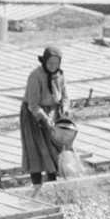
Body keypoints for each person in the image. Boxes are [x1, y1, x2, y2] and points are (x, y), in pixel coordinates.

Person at [20, 45, 69, 186]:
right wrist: (44, 118)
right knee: (36, 148)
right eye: (50, 63)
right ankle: (37, 183)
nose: (53, 66)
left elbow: (65, 96)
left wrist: (65, 108)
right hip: (33, 116)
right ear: (44, 62)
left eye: (56, 63)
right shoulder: (35, 76)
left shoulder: (60, 75)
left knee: (54, 148)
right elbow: (32, 104)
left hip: (52, 113)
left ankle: (52, 182)